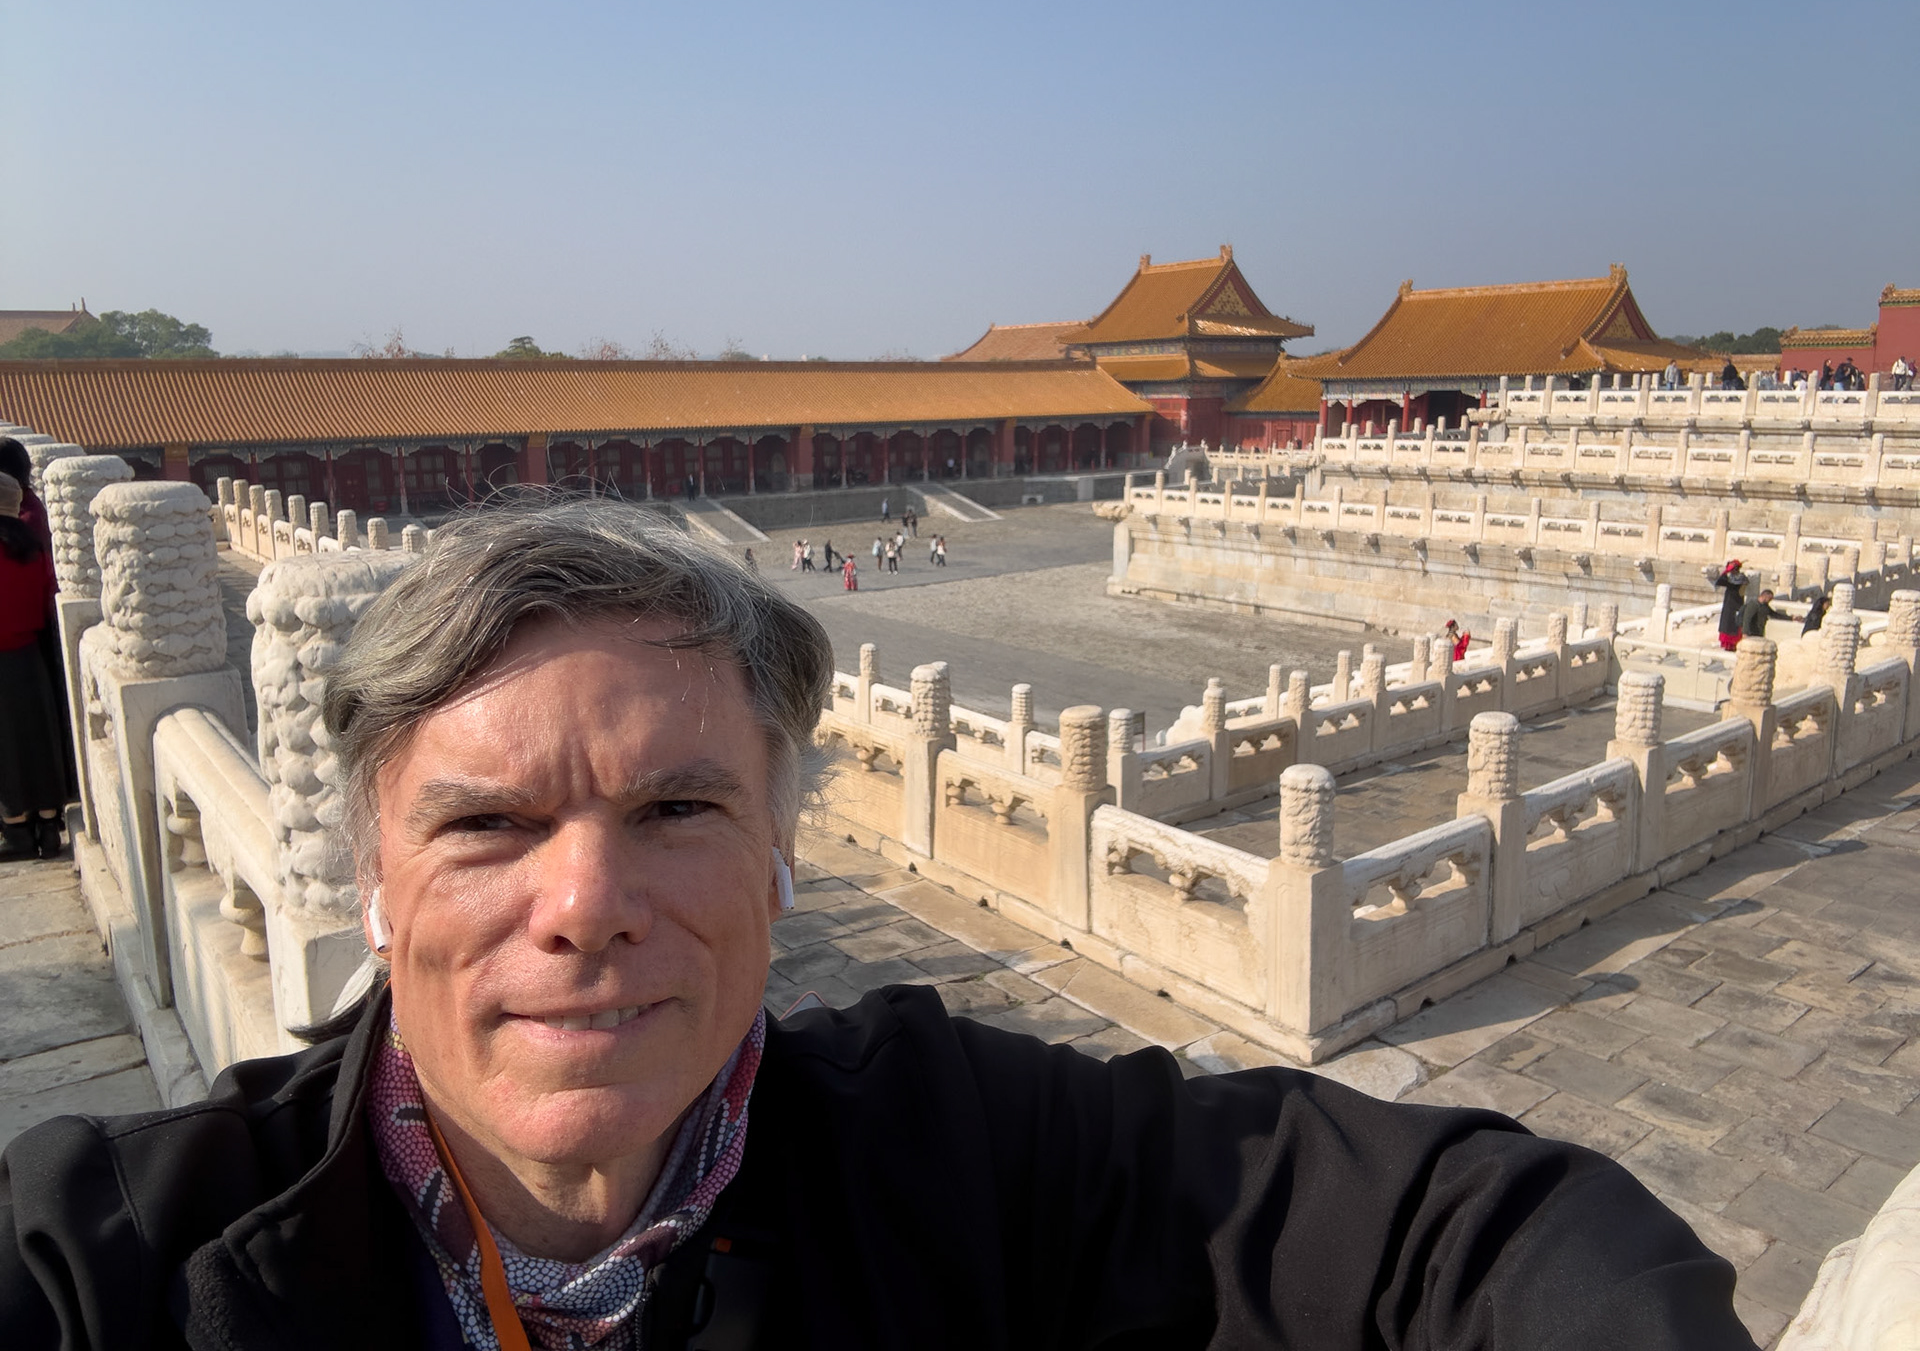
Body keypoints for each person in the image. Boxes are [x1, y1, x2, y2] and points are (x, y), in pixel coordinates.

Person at [0, 500, 1756, 1349]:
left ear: (782, 856)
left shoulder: (959, 1150)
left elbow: (1477, 1227)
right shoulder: (127, 1257)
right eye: (486, 825)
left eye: (678, 811)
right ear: (372, 877)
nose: (585, 906)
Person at [0, 473, 66, 860]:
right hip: (30, 656)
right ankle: (48, 823)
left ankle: (17, 829)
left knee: (7, 746)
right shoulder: (35, 550)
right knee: (39, 739)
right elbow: (48, 597)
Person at [1711, 560, 1749, 651]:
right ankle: (1728, 644)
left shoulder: (1739, 578)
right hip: (1730, 604)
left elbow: (1720, 581)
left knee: (1732, 625)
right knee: (1727, 624)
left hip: (1735, 604)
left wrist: (1726, 571)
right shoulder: (1735, 578)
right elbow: (1720, 582)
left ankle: (1732, 644)